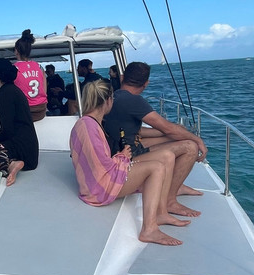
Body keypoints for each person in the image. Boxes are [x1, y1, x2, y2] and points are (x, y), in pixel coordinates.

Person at [68, 80, 189, 246]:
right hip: (98, 189)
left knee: (166, 157)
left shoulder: (89, 122)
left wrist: (121, 156)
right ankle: (149, 229)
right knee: (156, 168)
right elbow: (101, 167)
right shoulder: (89, 127)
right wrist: (122, 156)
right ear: (108, 100)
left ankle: (161, 212)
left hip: (97, 181)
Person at [102, 62, 207, 215]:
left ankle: (176, 185)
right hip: (126, 157)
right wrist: (198, 140)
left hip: (120, 149)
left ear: (122, 77)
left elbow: (137, 131)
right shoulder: (133, 100)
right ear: (146, 83)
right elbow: (168, 127)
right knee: (190, 147)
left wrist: (165, 134)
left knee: (173, 138)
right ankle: (169, 200)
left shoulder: (115, 96)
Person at [13, 30, 48, 121]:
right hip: (41, 109)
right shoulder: (39, 66)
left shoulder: (14, 69)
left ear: (16, 51)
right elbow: (44, 89)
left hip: (25, 111)